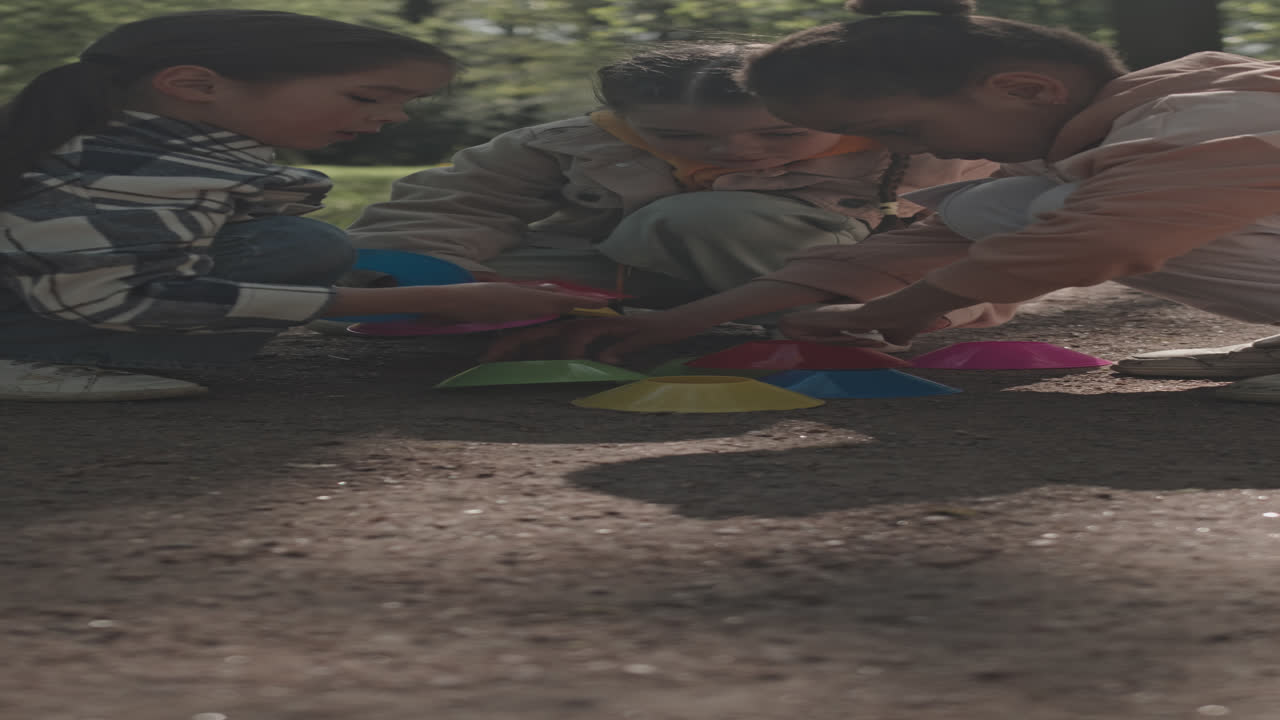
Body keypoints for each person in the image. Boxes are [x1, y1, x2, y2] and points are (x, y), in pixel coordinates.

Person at [490, 0, 1280, 405]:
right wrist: (673, 324)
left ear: (1026, 89)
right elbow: (907, 249)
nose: (896, 148)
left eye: (899, 128)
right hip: (1082, 189)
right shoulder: (1104, 144)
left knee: (1062, 218)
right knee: (1016, 208)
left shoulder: (1200, 123)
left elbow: (1111, 235)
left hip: (1122, 194)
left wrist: (914, 309)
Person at [0, 10, 599, 402]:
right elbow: (117, 295)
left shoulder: (150, 149)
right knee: (303, 247)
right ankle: (33, 358)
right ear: (194, 85)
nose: (394, 116)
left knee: (298, 244)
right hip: (53, 317)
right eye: (368, 96)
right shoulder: (141, 169)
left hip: (47, 297)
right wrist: (438, 299)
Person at [343, 42, 995, 310]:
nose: (737, 150)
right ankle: (546, 312)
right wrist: (417, 272)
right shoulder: (569, 143)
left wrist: (939, 308)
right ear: (620, 116)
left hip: (833, 278)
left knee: (698, 218)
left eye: (781, 134)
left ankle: (787, 315)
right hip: (622, 271)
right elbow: (460, 202)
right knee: (481, 275)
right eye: (680, 137)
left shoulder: (918, 147)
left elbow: (989, 229)